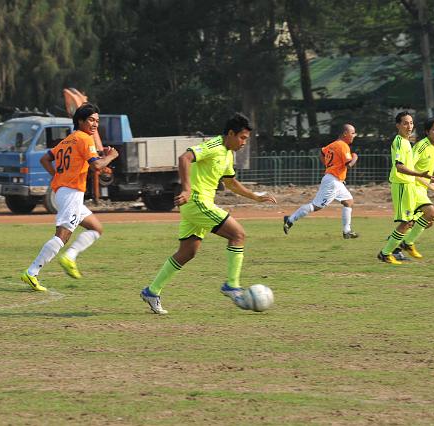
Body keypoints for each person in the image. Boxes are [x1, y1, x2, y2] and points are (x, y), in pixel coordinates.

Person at [140, 113, 277, 314]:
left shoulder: (228, 154)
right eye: (242, 137)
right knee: (238, 235)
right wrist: (187, 189)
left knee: (187, 252)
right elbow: (184, 158)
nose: (244, 143)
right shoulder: (214, 146)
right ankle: (232, 285)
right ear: (231, 134)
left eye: (246, 139)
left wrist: (255, 196)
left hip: (198, 205)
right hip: (196, 201)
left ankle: (152, 291)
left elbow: (230, 182)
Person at [20, 103, 118, 291]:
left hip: (64, 192)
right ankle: (32, 272)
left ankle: (70, 256)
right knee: (62, 236)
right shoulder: (85, 138)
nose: (95, 124)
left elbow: (45, 159)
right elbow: (97, 167)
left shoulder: (68, 140)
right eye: (91, 120)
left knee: (96, 228)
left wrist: (56, 176)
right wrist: (111, 156)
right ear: (80, 121)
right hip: (71, 193)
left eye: (97, 121)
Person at [283, 123, 359, 238]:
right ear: (345, 133)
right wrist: (355, 157)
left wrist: (329, 166)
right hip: (333, 181)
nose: (354, 135)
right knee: (316, 206)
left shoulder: (332, 145)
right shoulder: (343, 145)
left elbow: (322, 153)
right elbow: (349, 165)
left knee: (348, 201)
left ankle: (347, 231)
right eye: (352, 133)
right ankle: (290, 219)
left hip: (335, 180)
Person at [377, 111, 432, 265]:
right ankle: (386, 253)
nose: (409, 126)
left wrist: (427, 182)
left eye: (411, 123)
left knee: (428, 214)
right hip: (402, 185)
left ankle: (405, 243)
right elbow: (399, 167)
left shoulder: (407, 142)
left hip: (410, 185)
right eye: (405, 123)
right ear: (398, 125)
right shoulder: (400, 142)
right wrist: (419, 174)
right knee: (406, 222)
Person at [395, 117, 434, 259]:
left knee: (425, 222)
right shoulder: (422, 146)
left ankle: (396, 247)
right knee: (429, 214)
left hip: (421, 189)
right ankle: (404, 244)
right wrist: (429, 184)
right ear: (427, 132)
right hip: (413, 187)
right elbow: (409, 167)